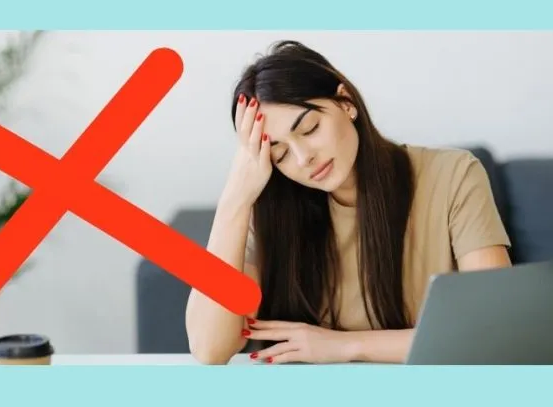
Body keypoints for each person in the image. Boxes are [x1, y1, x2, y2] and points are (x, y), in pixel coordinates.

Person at [184, 40, 512, 365]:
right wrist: (234, 200)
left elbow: (494, 330)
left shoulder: (453, 175)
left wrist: (344, 346)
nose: (303, 158)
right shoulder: (270, 211)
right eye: (280, 153)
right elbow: (210, 349)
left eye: (310, 128)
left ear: (346, 101)